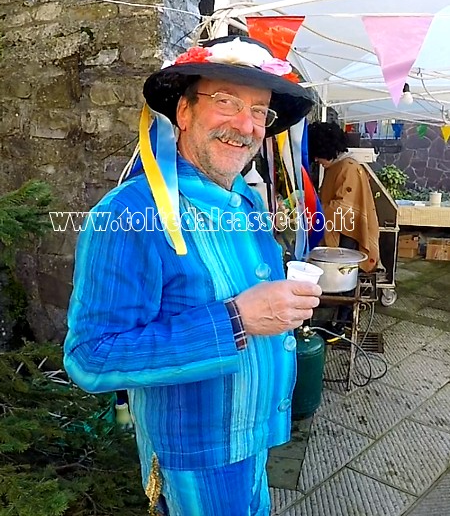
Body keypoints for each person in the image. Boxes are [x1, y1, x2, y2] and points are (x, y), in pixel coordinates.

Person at [64, 35, 322, 516]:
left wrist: (277, 302)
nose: (245, 125)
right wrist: (238, 320)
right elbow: (90, 359)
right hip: (194, 464)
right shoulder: (128, 215)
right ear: (183, 112)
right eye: (225, 102)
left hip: (255, 440)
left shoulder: (245, 199)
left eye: (259, 110)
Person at [307, 121, 380, 330]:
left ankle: (342, 322)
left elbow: (344, 207)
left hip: (349, 232)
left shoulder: (348, 167)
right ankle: (339, 319)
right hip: (339, 228)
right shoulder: (336, 166)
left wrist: (315, 211)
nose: (316, 160)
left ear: (326, 149)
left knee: (345, 275)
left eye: (317, 155)